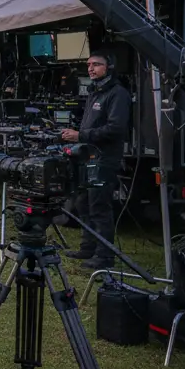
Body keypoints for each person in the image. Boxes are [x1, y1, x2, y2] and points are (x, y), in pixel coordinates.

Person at [60, 51, 132, 271]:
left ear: (108, 67)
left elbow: (116, 129)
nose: (91, 68)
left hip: (104, 159)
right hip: (87, 156)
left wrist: (80, 136)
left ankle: (104, 257)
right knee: (83, 203)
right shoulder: (95, 92)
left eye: (96, 65)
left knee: (99, 206)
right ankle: (87, 248)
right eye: (89, 65)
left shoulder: (117, 94)